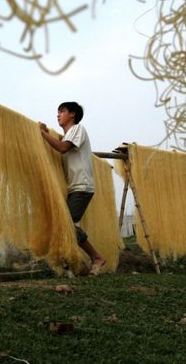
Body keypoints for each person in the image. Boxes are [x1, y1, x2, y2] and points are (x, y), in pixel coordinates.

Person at [39, 101, 106, 277]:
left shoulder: (78, 129)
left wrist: (43, 133)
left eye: (62, 111)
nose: (58, 114)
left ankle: (97, 258)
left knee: (66, 225)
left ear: (73, 114)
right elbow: (61, 144)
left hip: (82, 187)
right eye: (57, 111)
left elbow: (62, 148)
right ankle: (78, 265)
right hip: (74, 188)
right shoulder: (65, 136)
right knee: (64, 225)